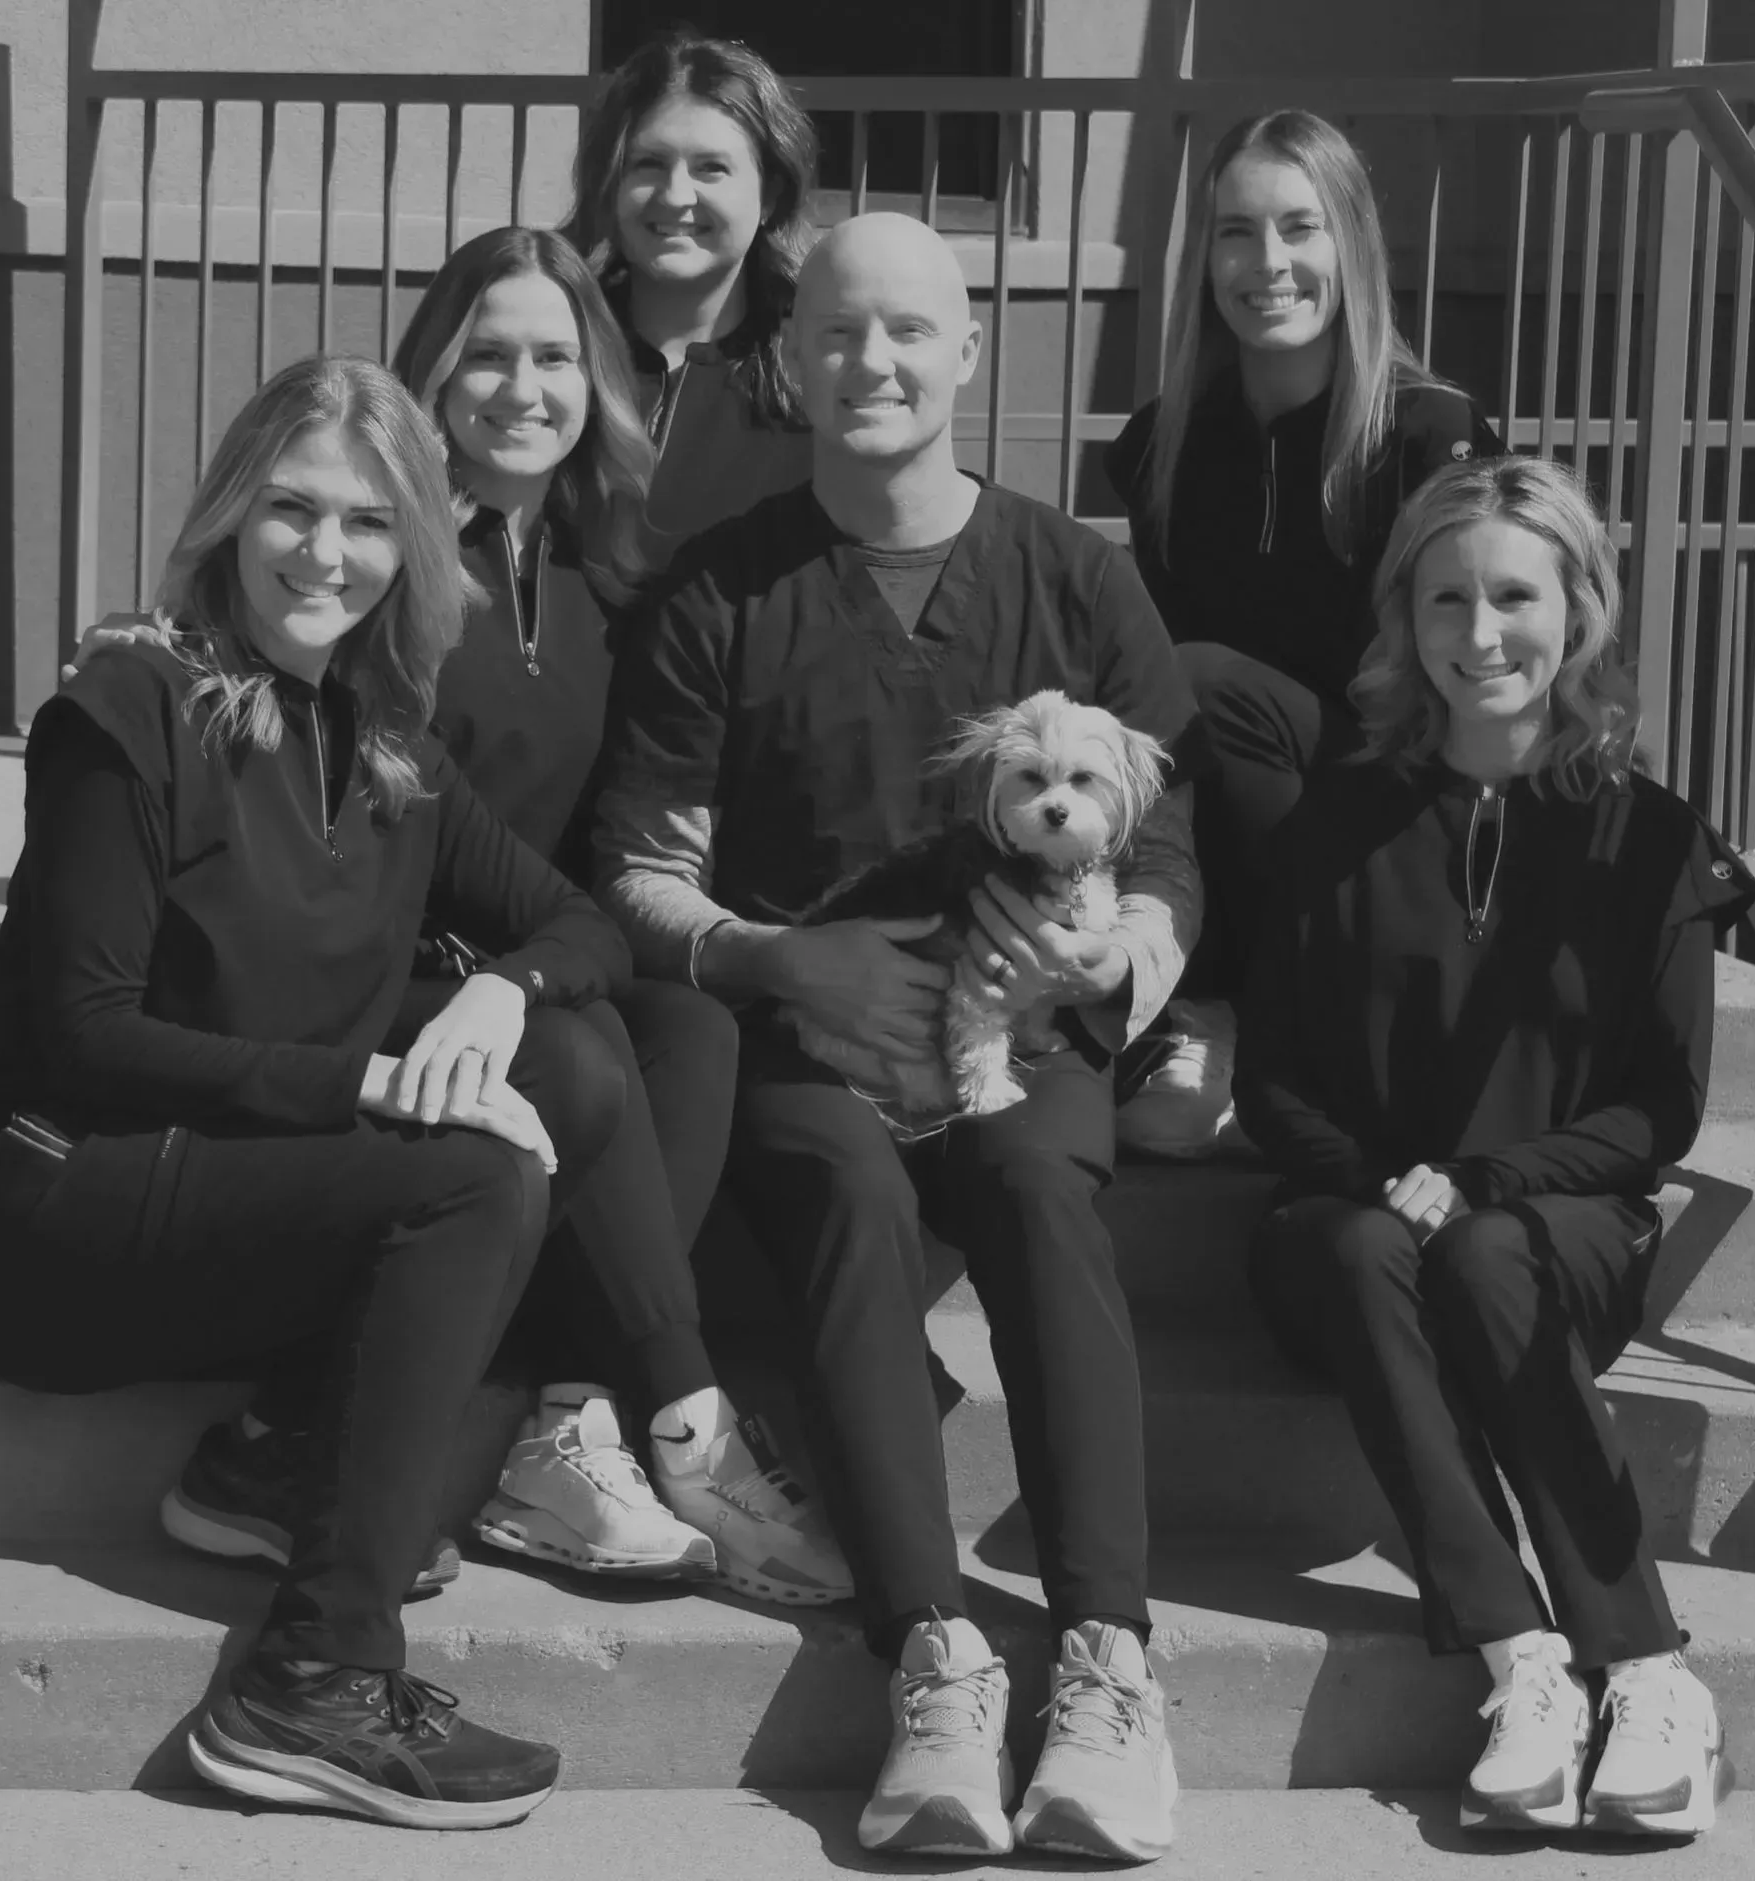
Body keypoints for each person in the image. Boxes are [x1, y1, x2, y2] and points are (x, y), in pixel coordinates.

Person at [0, 355, 635, 1827]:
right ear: (232, 514)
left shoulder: (393, 750)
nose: (323, 550)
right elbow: (88, 1036)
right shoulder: (128, 706)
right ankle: (316, 1676)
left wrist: (499, 989)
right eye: (290, 508)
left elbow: (586, 924)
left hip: (217, 1192)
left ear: (411, 547)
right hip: (45, 1192)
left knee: (555, 1071)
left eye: (366, 522)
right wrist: (385, 1079)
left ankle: (281, 1452)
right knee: (474, 1167)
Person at [594, 212, 1205, 1864]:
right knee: (849, 1199)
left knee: (1035, 1187)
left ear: (967, 353)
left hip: (1022, 1029)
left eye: (909, 333)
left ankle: (1105, 1658)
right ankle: (933, 1655)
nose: (874, 362)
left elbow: (1164, 843)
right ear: (792, 359)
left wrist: (1105, 964)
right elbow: (644, 866)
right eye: (840, 334)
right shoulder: (719, 588)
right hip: (812, 1048)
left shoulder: (1077, 578)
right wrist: (774, 960)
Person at [1236, 456, 1752, 1839]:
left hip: (1561, 1232)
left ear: (1578, 607)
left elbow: (1661, 1106)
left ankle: (1646, 1674)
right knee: (1358, 1249)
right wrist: (1379, 1180)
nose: (1480, 634)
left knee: (1483, 1255)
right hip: (1354, 1228)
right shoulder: (1335, 822)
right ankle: (1526, 1660)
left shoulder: (1647, 835)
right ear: (1405, 616)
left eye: (1514, 596)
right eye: (1446, 597)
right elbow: (1273, 1077)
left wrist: (1484, 1179)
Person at [389, 223, 848, 1604]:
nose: (522, 388)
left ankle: (573, 1415)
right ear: (433, 374)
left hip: (543, 958)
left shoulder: (611, 570)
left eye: (554, 357)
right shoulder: (390, 557)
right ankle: (688, 1421)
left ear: (599, 378)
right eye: (486, 355)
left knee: (692, 1034)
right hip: (395, 972)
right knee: (588, 1059)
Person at [1105, 110, 1499, 995]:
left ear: (1351, 246)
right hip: (1230, 810)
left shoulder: (1432, 436)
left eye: (1299, 227)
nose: (1268, 264)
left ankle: (1283, 1019)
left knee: (1204, 682)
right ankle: (1201, 1015)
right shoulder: (1159, 447)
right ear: (1205, 261)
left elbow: (1478, 661)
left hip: (1399, 794)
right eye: (1236, 233)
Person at [566, 28, 817, 571]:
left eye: (711, 168)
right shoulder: (550, 354)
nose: (676, 196)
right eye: (648, 164)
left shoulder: (816, 372)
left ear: (770, 193)